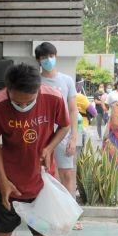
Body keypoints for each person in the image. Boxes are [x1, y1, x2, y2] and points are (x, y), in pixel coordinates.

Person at [0, 63, 70, 236]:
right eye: (18, 102)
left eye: (29, 101)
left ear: (38, 90)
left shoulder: (54, 97)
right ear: (7, 90)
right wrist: (3, 180)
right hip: (10, 183)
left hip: (41, 183)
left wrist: (49, 148)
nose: (23, 106)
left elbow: (64, 127)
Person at [35, 43, 80, 221]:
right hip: (41, 135)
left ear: (56, 56)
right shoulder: (35, 82)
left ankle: (70, 216)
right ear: (38, 60)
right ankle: (45, 215)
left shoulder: (67, 80)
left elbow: (73, 110)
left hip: (64, 133)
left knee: (67, 174)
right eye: (44, 57)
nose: (48, 60)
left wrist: (73, 137)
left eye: (50, 56)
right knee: (43, 174)